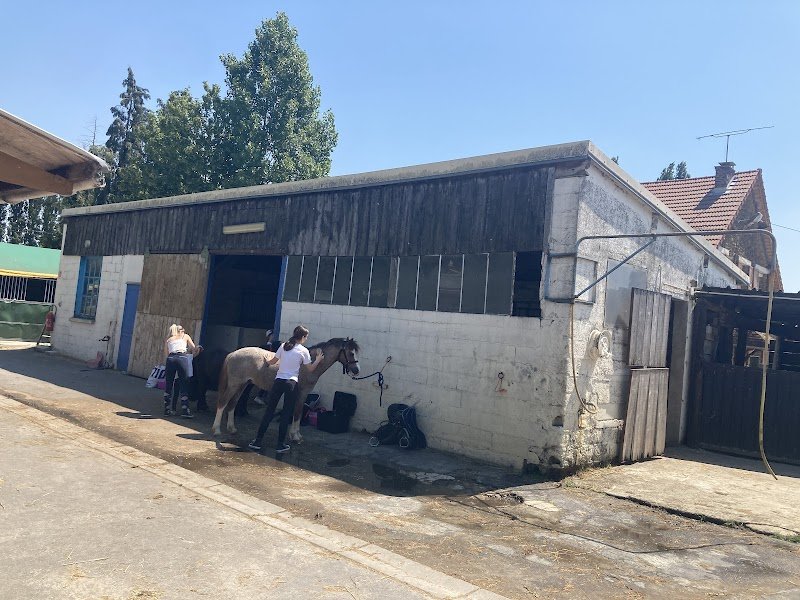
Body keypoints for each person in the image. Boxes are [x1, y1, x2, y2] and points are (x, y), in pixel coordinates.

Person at [248, 325, 323, 454]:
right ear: (303, 337)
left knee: (269, 412)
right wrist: (318, 360)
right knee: (286, 414)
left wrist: (266, 360)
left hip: (278, 381)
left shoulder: (283, 346)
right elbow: (310, 369)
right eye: (306, 337)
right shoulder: (303, 350)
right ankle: (280, 444)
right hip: (291, 383)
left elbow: (273, 362)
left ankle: (257, 441)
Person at [163, 324, 201, 418]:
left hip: (171, 359)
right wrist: (199, 349)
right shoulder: (185, 336)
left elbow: (166, 354)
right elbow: (194, 349)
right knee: (183, 384)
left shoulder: (169, 340)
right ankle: (185, 410)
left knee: (169, 384)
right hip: (182, 358)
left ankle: (167, 409)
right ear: (182, 331)